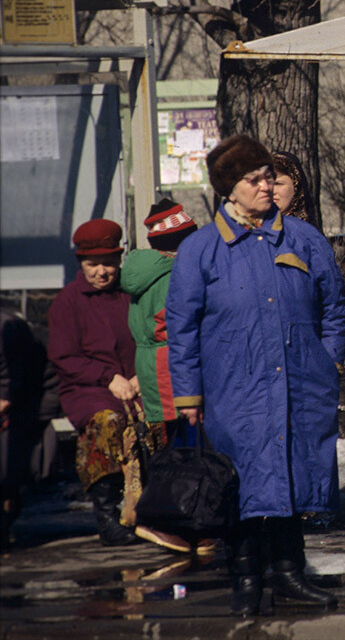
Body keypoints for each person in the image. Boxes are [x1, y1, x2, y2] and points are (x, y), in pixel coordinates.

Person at [168, 135, 345, 616]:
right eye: (256, 179)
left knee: (292, 474)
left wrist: (328, 360)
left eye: (270, 176)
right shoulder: (201, 250)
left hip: (300, 384)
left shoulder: (303, 238)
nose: (268, 185)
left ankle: (291, 573)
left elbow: (334, 307)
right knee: (242, 483)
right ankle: (245, 579)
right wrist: (188, 396)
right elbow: (181, 329)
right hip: (233, 390)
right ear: (230, 188)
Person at [47, 219, 151, 546]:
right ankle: (108, 517)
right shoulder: (68, 301)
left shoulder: (132, 295)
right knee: (108, 423)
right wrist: (109, 379)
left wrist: (139, 374)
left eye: (108, 264)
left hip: (137, 384)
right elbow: (65, 356)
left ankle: (155, 509)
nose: (102, 272)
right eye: (93, 265)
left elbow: (148, 339)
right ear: (81, 264)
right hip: (88, 389)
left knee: (158, 422)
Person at [120, 198, 206, 553]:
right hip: (173, 363)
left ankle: (186, 523)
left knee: (177, 442)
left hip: (153, 364)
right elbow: (182, 323)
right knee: (186, 445)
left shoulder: (142, 271)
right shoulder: (173, 275)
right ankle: (164, 520)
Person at [0, 310, 59, 549]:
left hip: (27, 401)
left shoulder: (6, 328)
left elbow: (8, 387)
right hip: (19, 398)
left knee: (7, 473)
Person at [271, 150, 316, 226]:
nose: (271, 190)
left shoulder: (307, 234)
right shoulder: (251, 231)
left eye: (278, 184)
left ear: (296, 188)